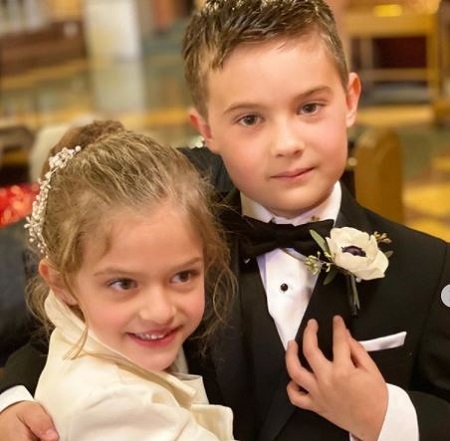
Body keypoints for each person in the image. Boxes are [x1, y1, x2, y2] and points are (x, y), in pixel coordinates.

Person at [2, 0, 450, 440]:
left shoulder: (427, 269)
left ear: (350, 99)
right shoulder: (170, 232)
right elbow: (55, 327)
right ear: (207, 129)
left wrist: (385, 416)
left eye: (310, 107)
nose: (287, 143)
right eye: (250, 118)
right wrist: (11, 399)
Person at [1, 120, 236, 440]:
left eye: (183, 276)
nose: (160, 311)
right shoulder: (112, 404)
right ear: (61, 283)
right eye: (124, 284)